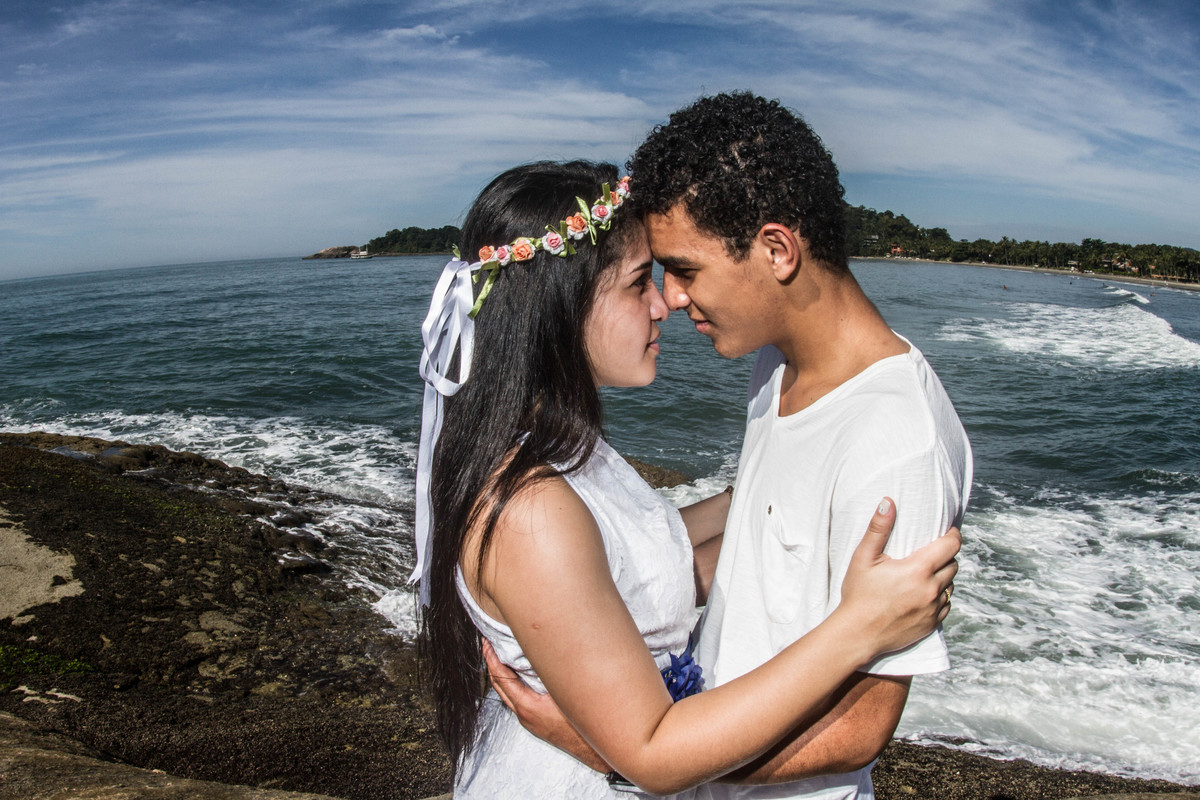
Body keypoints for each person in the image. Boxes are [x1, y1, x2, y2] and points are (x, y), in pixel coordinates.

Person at [414, 159, 961, 798]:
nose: (664, 303)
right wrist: (863, 623)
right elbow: (650, 751)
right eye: (639, 283)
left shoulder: (555, 448)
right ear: (557, 307)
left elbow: (635, 553)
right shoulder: (532, 510)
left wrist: (759, 492)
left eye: (675, 273)